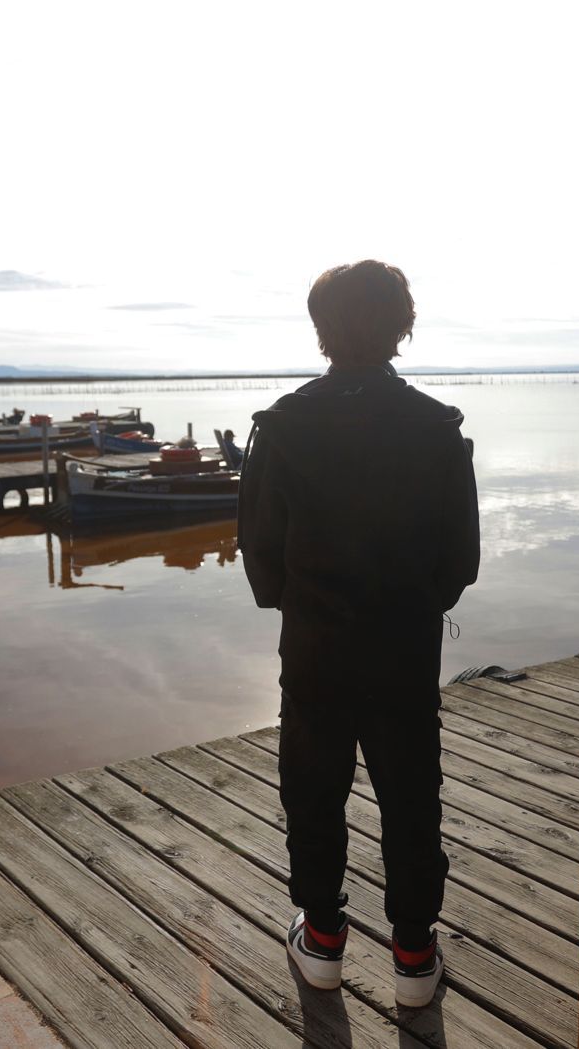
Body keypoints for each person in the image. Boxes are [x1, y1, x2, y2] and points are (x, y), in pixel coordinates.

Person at [239, 259, 479, 1008]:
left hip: (315, 647)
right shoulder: (437, 429)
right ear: (403, 325)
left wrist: (294, 601)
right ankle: (413, 951)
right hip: (405, 647)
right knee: (412, 793)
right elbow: (460, 559)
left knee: (312, 788)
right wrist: (414, 602)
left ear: (321, 330)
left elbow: (260, 550)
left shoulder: (281, 426)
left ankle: (322, 940)